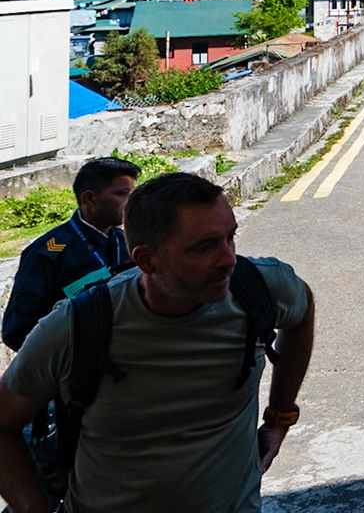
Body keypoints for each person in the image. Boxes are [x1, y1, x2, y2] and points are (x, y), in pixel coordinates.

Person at [0, 172, 315, 513]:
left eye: (230, 237)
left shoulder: (259, 288)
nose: (227, 259)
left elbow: (302, 308)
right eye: (204, 247)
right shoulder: (77, 326)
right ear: (146, 260)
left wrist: (280, 415)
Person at [2, 158, 139, 352]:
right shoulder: (48, 254)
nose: (131, 201)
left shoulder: (127, 242)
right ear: (89, 198)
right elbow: (17, 331)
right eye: (122, 194)